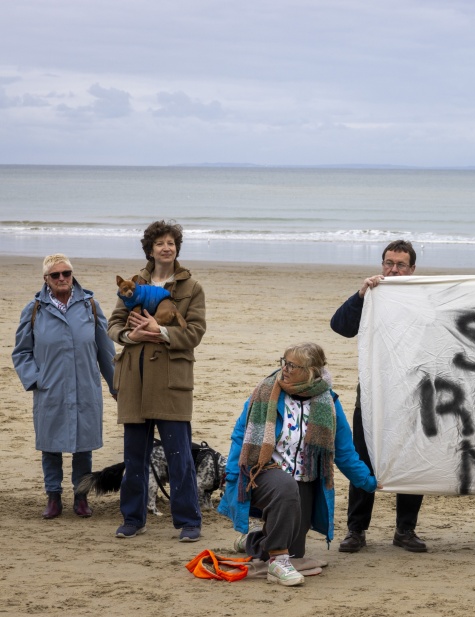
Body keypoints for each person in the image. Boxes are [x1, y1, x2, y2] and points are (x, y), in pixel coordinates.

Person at [218, 342, 379, 587]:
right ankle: (277, 563)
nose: (285, 369)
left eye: (293, 365)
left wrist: (368, 482)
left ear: (312, 371)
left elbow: (344, 452)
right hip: (263, 472)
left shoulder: (329, 402)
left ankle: (253, 541)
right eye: (284, 361)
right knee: (284, 490)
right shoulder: (264, 392)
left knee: (297, 552)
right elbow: (241, 435)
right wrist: (232, 474)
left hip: (304, 478)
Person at [107, 221, 207, 542]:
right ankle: (133, 518)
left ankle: (189, 521)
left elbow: (194, 333)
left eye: (171, 243)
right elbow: (113, 325)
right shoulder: (133, 284)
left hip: (171, 379)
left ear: (177, 248)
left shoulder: (192, 288)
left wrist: (160, 330)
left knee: (180, 454)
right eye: (160, 243)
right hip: (134, 378)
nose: (166, 247)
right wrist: (130, 334)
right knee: (135, 454)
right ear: (150, 249)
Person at [330, 239, 428, 553]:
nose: (393, 270)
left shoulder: (425, 299)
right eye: (389, 263)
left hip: (414, 393)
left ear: (412, 270)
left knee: (411, 459)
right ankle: (356, 530)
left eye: (401, 265)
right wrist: (360, 295)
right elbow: (341, 326)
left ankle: (405, 530)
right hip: (374, 393)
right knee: (364, 458)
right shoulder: (371, 296)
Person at [13, 254, 116, 519]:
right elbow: (22, 352)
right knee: (50, 445)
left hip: (84, 388)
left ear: (72, 275)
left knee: (84, 446)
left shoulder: (90, 306)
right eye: (55, 275)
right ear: (45, 279)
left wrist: (117, 387)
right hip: (50, 389)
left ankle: (81, 497)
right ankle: (53, 497)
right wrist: (35, 379)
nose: (62, 279)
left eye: (66, 273)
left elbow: (105, 352)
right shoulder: (34, 309)